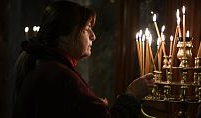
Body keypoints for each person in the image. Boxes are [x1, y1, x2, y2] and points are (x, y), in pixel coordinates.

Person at [12, 1, 154, 118]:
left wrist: (91, 106)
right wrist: (132, 95)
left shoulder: (46, 65)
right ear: (64, 36)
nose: (93, 36)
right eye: (87, 29)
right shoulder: (60, 76)